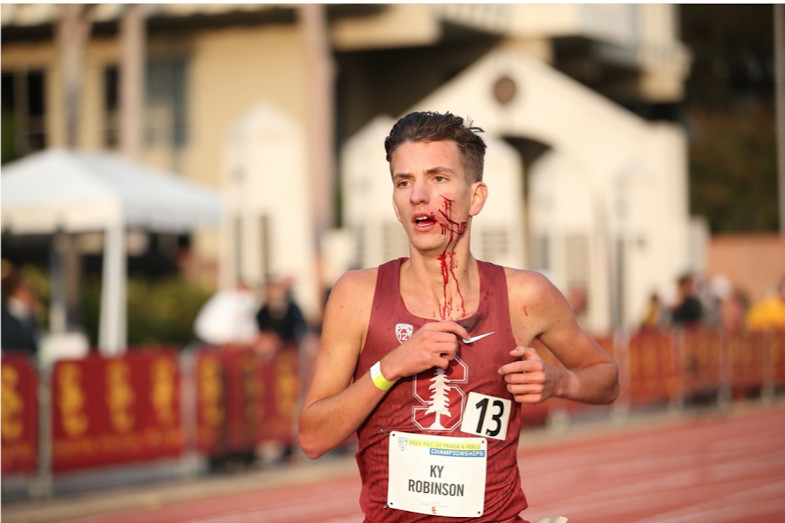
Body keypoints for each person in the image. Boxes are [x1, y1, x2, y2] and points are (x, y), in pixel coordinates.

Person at [298, 111, 619, 522]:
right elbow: (312, 437)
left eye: (438, 178)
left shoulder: (525, 295)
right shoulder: (357, 296)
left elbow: (607, 378)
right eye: (404, 182)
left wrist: (560, 381)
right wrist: (389, 367)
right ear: (395, 204)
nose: (419, 195)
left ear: (476, 198)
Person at [1, 266, 40, 357]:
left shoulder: (27, 317)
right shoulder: (7, 319)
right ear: (16, 292)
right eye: (26, 289)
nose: (30, 294)